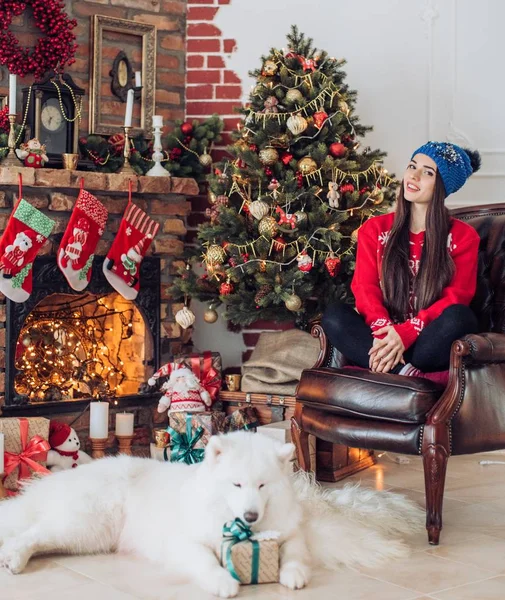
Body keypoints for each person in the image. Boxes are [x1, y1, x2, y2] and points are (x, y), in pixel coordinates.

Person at [322, 141, 481, 381]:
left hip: (427, 342)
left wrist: (407, 332)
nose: (413, 176)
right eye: (412, 166)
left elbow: (456, 296)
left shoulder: (463, 237)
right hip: (382, 337)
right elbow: (365, 289)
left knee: (460, 316)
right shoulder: (375, 229)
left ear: (442, 186)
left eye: (428, 172)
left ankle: (393, 367)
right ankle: (404, 372)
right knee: (334, 315)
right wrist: (386, 334)